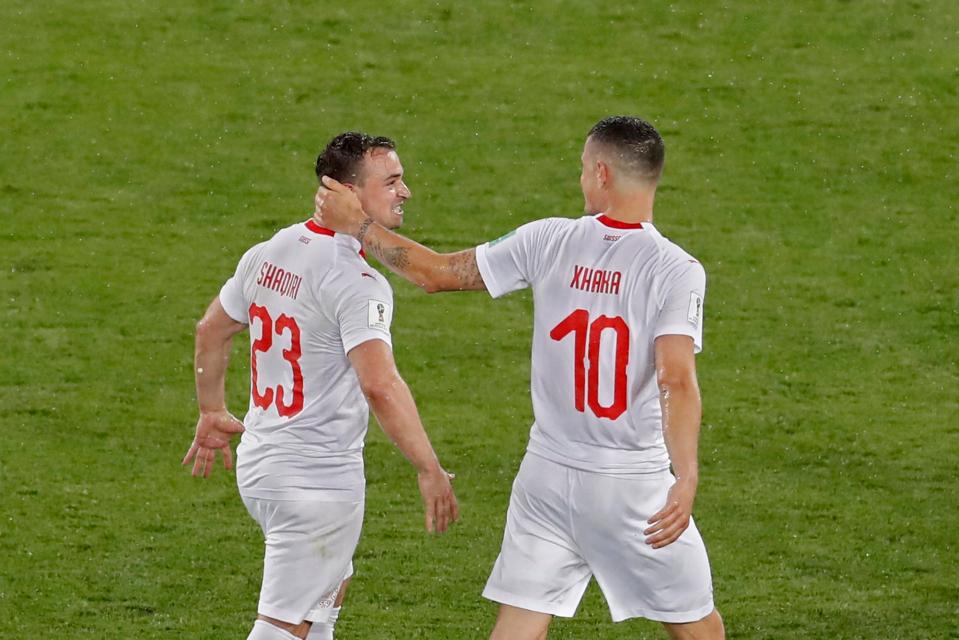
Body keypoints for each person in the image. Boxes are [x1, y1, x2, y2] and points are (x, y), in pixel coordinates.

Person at [313, 116, 725, 639]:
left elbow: (435, 274)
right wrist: (686, 477)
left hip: (546, 477)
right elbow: (676, 380)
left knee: (518, 627)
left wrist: (362, 227)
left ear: (601, 173)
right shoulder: (675, 268)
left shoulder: (549, 239)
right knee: (698, 629)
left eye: (581, 169)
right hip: (632, 486)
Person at [182, 132, 459, 640]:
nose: (406, 192)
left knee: (328, 594)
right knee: (280, 626)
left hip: (263, 466)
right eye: (392, 182)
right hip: (317, 478)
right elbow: (380, 385)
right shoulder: (357, 282)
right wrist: (429, 467)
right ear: (350, 193)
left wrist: (211, 409)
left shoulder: (271, 249)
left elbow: (211, 331)